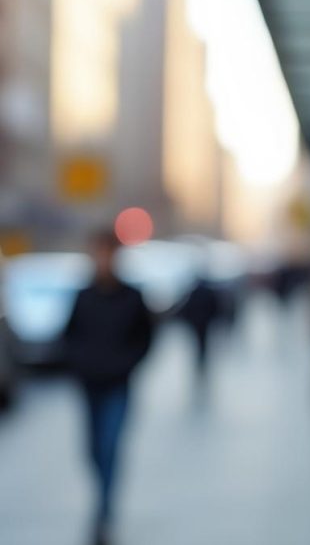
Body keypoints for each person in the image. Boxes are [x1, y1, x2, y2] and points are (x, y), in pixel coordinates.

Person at [63, 231, 153, 545]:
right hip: (89, 385)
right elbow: (68, 335)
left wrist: (125, 363)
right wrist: (79, 362)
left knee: (110, 446)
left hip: (117, 384)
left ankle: (103, 511)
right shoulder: (83, 295)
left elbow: (146, 338)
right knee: (91, 450)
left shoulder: (132, 296)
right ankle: (102, 501)